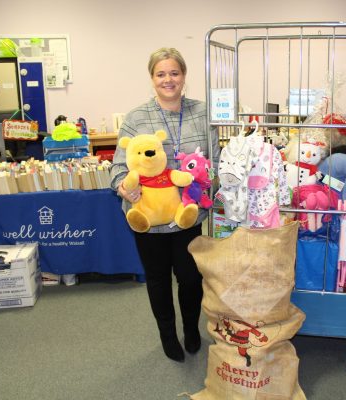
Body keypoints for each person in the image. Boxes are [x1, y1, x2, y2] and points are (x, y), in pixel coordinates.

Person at [110, 47, 220, 362]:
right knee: (157, 278)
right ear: (152, 78)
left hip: (187, 214)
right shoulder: (136, 117)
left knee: (189, 277)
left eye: (174, 73)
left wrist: (210, 182)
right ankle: (168, 335)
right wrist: (123, 187)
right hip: (148, 214)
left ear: (184, 76)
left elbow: (215, 160)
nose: (168, 80)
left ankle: (190, 329)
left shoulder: (202, 113)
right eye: (161, 74)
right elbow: (119, 166)